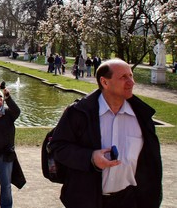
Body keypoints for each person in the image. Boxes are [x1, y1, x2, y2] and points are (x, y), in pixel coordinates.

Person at [49, 59, 162, 208]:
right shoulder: (78, 113)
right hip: (86, 200)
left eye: (131, 76)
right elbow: (58, 147)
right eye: (123, 77)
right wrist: (91, 158)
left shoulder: (141, 116)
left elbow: (150, 162)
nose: (131, 82)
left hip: (129, 200)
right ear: (105, 82)